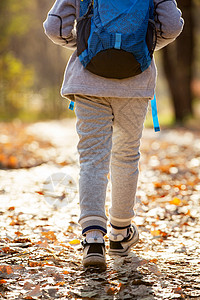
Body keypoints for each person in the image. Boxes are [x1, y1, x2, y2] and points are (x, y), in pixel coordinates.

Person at [43, 0, 184, 270]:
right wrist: (141, 48)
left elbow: (55, 26)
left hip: (87, 81)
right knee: (126, 156)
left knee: (93, 158)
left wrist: (86, 45)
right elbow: (172, 26)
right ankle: (120, 233)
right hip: (135, 82)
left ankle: (93, 238)